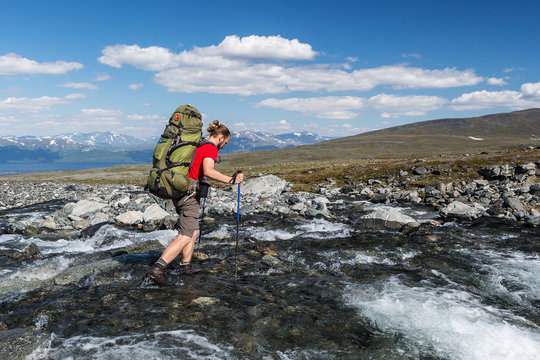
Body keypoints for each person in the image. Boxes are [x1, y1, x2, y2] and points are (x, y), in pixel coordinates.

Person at [144, 120, 244, 285]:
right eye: (225, 142)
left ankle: (185, 266)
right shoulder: (210, 148)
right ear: (220, 136)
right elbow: (208, 171)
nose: (225, 146)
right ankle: (156, 269)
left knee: (193, 230)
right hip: (188, 195)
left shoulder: (199, 145)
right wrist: (231, 180)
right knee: (185, 235)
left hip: (181, 192)